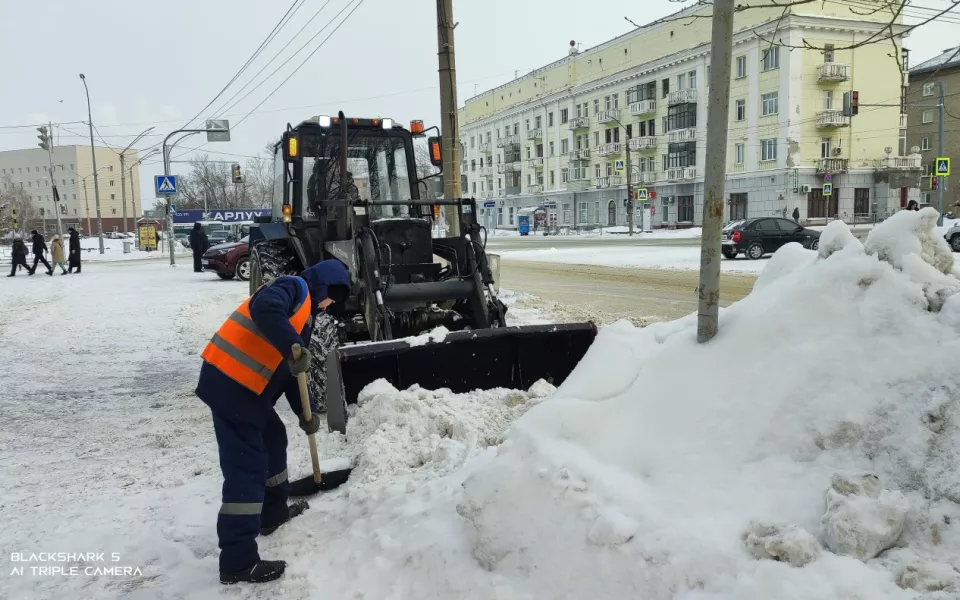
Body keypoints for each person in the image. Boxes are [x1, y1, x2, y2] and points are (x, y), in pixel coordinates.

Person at [195, 258, 351, 585]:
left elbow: (293, 373)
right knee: (246, 468)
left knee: (274, 439)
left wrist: (304, 415)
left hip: (248, 391)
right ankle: (237, 561)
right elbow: (265, 308)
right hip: (230, 385)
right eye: (332, 297)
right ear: (323, 286)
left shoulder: (303, 319)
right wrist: (292, 345)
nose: (329, 305)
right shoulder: (292, 288)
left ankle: (273, 513)